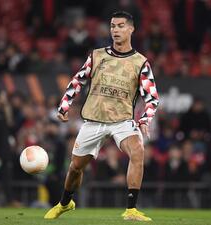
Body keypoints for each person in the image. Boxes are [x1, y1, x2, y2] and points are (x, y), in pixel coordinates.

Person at [44, 11, 159, 221]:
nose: (116, 30)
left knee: (138, 150)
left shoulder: (141, 62)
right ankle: (65, 202)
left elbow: (152, 98)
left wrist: (145, 119)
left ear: (131, 29)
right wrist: (64, 105)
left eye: (121, 26)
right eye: (113, 26)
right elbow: (78, 80)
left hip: (122, 121)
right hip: (94, 120)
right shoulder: (97, 56)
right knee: (76, 167)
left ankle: (131, 209)